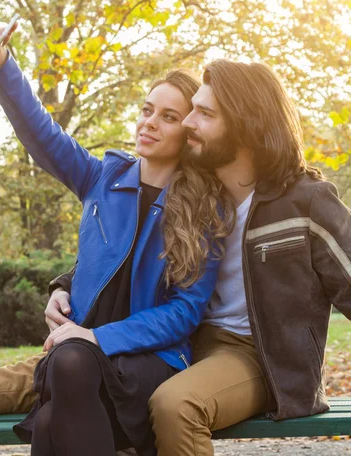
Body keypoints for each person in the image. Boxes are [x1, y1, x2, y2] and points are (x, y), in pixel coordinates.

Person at [0, 24, 228, 456]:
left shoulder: (205, 208)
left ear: (189, 132)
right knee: (65, 375)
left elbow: (185, 312)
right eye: (147, 110)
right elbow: (43, 136)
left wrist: (98, 339)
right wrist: (4, 70)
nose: (149, 122)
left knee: (59, 393)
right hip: (78, 360)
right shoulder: (102, 177)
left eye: (168, 116)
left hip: (151, 361)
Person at [148, 58, 351, 456]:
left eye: (204, 113)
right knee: (92, 386)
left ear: (246, 125)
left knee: (176, 405)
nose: (188, 122)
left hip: (258, 356)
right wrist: (65, 286)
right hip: (180, 342)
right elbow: (121, 245)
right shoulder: (189, 192)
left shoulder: (305, 201)